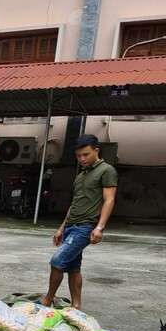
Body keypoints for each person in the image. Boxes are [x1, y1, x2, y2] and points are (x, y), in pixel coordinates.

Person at [39, 133, 117, 311]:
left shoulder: (107, 170)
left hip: (85, 227)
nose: (82, 159)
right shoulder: (81, 175)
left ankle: (47, 299)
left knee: (57, 261)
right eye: (78, 156)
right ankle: (76, 306)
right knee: (73, 267)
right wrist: (61, 229)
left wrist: (100, 227)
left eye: (86, 154)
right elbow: (74, 204)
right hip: (71, 226)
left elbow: (109, 200)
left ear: (96, 150)